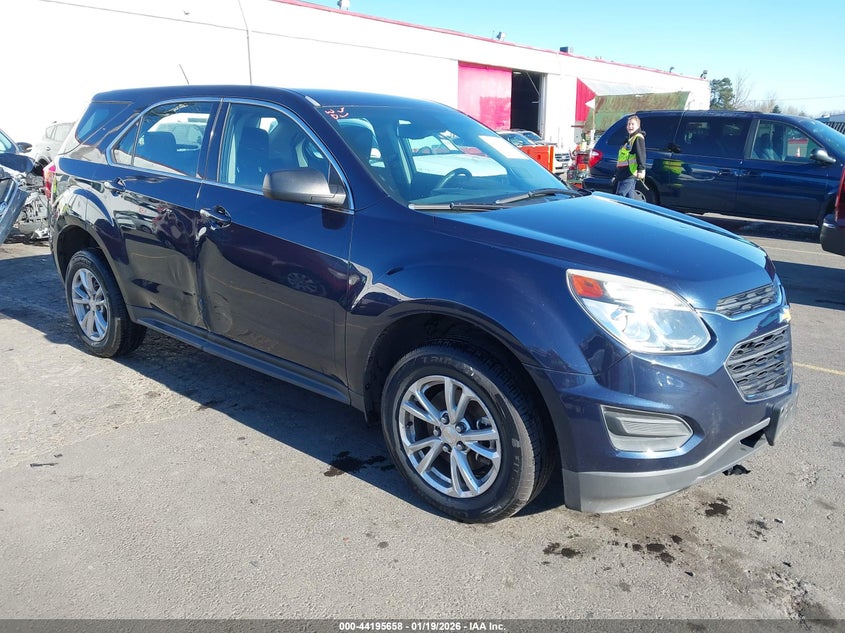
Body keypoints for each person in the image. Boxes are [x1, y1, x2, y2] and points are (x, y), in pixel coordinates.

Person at [614, 115, 646, 198]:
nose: (630, 126)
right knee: (629, 198)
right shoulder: (629, 138)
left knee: (619, 197)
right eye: (628, 124)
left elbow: (641, 154)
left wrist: (641, 169)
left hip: (629, 173)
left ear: (638, 126)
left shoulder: (638, 138)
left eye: (632, 124)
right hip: (623, 173)